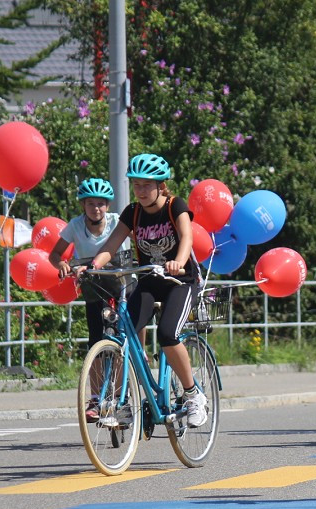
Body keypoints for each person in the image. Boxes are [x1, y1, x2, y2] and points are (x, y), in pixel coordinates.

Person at [67, 153, 208, 428]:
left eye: (146, 185)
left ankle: (193, 396)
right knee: (123, 334)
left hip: (179, 281)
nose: (141, 191)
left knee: (168, 334)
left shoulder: (174, 206)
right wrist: (93, 265)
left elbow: (187, 237)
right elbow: (111, 245)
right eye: (136, 185)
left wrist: (178, 261)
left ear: (160, 185)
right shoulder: (132, 212)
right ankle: (124, 404)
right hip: (148, 281)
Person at [48, 177, 132, 422]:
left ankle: (120, 394)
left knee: (126, 331)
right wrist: (62, 263)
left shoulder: (117, 222)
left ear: (107, 205)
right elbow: (54, 254)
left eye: (101, 204)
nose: (97, 208)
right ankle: (96, 398)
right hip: (94, 284)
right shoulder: (75, 226)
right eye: (91, 204)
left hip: (120, 280)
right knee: (96, 343)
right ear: (83, 205)